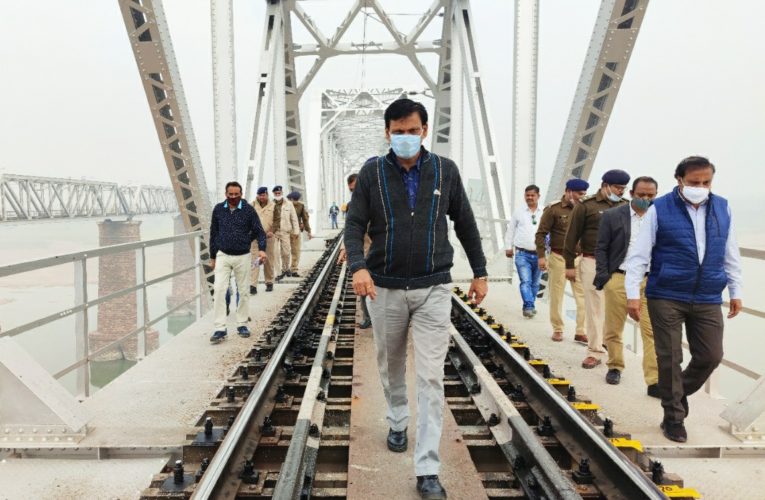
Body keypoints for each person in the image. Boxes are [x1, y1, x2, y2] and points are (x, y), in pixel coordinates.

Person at [345, 98, 488, 500]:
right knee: (391, 365)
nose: (405, 137)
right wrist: (358, 265)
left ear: (425, 130)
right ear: (387, 133)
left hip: (433, 288)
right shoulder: (373, 172)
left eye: (412, 130)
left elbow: (466, 223)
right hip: (385, 286)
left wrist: (479, 272)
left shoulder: (445, 170)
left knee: (429, 375)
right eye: (397, 132)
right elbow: (355, 224)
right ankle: (397, 418)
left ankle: (427, 467)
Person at [625, 156, 742, 443]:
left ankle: (677, 394)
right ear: (679, 180)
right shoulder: (659, 208)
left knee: (711, 355)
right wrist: (632, 295)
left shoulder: (723, 207)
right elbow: (640, 255)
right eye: (694, 182)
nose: (701, 187)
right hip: (666, 293)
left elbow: (730, 252)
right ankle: (673, 418)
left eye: (706, 182)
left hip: (708, 295)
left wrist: (736, 291)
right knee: (669, 358)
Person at [594, 176, 660, 396]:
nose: (646, 199)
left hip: (650, 280)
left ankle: (654, 380)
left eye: (650, 195)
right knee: (614, 327)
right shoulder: (614, 216)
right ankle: (615, 366)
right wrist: (606, 276)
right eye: (641, 194)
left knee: (651, 331)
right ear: (632, 193)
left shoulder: (660, 216)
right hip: (620, 277)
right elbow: (601, 247)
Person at [564, 169, 630, 369]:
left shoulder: (626, 206)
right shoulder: (587, 206)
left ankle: (608, 342)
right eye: (617, 187)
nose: (620, 191)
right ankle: (594, 351)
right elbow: (571, 236)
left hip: (619, 265)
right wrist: (569, 266)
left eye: (623, 188)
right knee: (594, 306)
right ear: (605, 185)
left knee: (615, 307)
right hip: (592, 261)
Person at [209, 181, 267, 343]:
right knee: (219, 290)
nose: (233, 197)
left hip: (243, 255)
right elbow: (213, 234)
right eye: (230, 194)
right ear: (225, 194)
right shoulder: (219, 209)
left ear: (241, 194)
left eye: (236, 194)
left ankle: (242, 324)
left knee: (243, 291)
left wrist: (262, 249)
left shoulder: (248, 210)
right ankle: (220, 328)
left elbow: (260, 232)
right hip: (223, 255)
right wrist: (212, 256)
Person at [535, 178, 589, 343]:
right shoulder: (553, 210)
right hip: (558, 258)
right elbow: (541, 234)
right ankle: (558, 329)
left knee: (583, 295)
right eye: (579, 194)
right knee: (557, 295)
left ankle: (581, 331)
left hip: (579, 258)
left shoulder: (586, 209)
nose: (582, 197)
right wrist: (541, 256)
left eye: (584, 194)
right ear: (568, 191)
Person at [338, 172, 372, 329]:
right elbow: (350, 229)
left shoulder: (379, 200)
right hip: (363, 250)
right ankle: (367, 317)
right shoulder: (352, 206)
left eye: (356, 188)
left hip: (382, 250)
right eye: (352, 190)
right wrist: (345, 247)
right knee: (364, 285)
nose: (355, 192)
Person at [505, 185, 543, 317]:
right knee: (525, 281)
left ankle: (529, 304)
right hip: (522, 253)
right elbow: (510, 231)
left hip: (540, 255)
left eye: (532, 195)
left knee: (535, 283)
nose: (530, 198)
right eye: (527, 195)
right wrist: (508, 247)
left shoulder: (544, 212)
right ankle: (529, 306)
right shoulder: (519, 212)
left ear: (538, 196)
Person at [271, 185, 300, 282]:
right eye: (276, 193)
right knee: (275, 253)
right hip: (274, 232)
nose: (278, 195)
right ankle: (278, 273)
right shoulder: (270, 204)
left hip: (285, 231)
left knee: (286, 253)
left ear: (282, 193)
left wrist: (296, 231)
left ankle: (285, 268)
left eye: (279, 193)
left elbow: (294, 218)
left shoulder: (289, 204)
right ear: (273, 194)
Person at [251, 186, 276, 293]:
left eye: (264, 195)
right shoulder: (251, 205)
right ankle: (252, 285)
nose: (262, 197)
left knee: (269, 260)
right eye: (260, 195)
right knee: (255, 260)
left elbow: (277, 220)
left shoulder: (273, 206)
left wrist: (272, 230)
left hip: (268, 237)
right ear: (257, 195)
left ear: (267, 195)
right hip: (255, 238)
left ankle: (269, 282)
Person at [286, 191, 312, 277]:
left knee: (294, 251)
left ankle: (292, 269)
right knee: (289, 251)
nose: (294, 201)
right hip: (287, 231)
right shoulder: (285, 205)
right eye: (294, 199)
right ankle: (288, 269)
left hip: (293, 231)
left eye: (295, 200)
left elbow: (305, 219)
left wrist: (308, 231)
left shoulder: (300, 206)